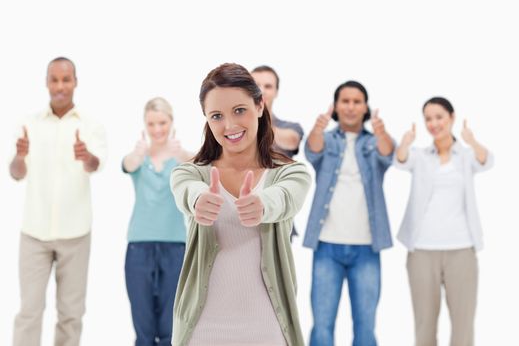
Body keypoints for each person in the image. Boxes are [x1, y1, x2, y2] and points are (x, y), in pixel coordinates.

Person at [170, 63, 311, 346]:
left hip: (267, 329)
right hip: (203, 330)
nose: (230, 126)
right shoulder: (189, 173)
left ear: (260, 106)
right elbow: (187, 190)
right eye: (217, 116)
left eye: (239, 110)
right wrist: (199, 199)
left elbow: (284, 197)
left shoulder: (291, 173)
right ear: (206, 120)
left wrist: (262, 204)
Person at [10, 57, 107, 346]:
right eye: (54, 79)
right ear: (46, 83)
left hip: (75, 234)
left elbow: (95, 165)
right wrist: (19, 156)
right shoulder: (29, 123)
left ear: (75, 82)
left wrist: (86, 156)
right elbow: (16, 174)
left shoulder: (90, 125)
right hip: (34, 233)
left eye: (66, 79)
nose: (60, 86)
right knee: (29, 311)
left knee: (71, 313)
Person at [395, 97, 494, 346]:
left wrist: (471, 140)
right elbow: (400, 160)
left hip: (461, 249)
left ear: (451, 117)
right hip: (422, 250)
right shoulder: (420, 156)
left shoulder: (466, 155)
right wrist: (405, 143)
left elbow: (487, 161)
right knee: (424, 326)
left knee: (463, 326)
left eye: (439, 117)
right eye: (428, 118)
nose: (433, 123)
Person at [303, 81, 395, 346]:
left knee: (366, 327)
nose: (351, 107)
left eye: (357, 101)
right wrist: (318, 129)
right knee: (322, 325)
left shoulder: (376, 140)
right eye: (345, 101)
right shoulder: (326, 139)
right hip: (327, 246)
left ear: (366, 107)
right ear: (335, 106)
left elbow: (388, 155)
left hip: (367, 247)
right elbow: (313, 150)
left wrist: (382, 133)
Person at [123, 97, 192, 346]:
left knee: (170, 327)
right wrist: (138, 153)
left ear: (171, 122)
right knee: (143, 326)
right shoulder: (138, 157)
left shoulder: (181, 159)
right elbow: (128, 165)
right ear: (145, 124)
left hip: (174, 247)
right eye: (151, 124)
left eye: (162, 122)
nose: (157, 129)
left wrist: (180, 154)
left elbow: (202, 167)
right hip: (139, 247)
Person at [251, 65, 304, 238]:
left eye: (268, 86)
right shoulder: (232, 128)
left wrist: (259, 118)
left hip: (277, 220)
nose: (261, 90)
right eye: (255, 84)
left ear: (276, 92)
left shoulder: (290, 128)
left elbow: (290, 141)